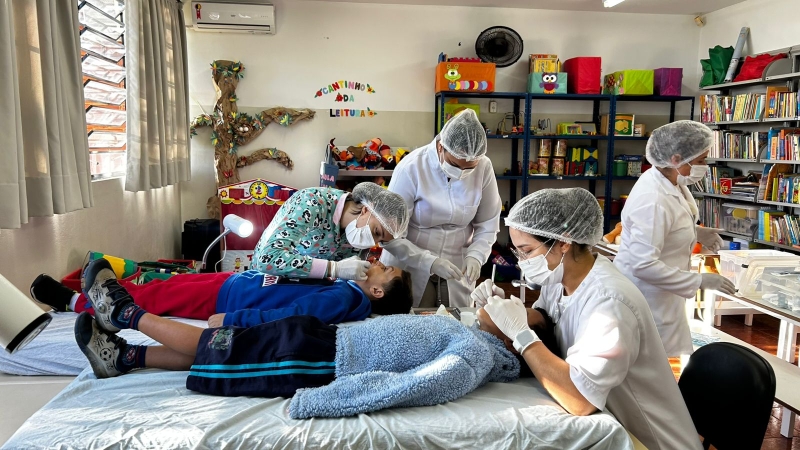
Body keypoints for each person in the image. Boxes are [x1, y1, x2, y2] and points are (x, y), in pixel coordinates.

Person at [472, 188, 703, 450]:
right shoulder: (558, 280)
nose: (522, 262)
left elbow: (579, 400)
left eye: (527, 251)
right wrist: (503, 310)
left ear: (563, 242)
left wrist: (521, 334)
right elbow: (550, 324)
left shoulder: (609, 302)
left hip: (649, 442)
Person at [73, 285, 519, 419]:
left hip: (323, 362)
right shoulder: (468, 332)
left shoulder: (475, 357)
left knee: (224, 347)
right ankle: (126, 358)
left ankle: (127, 314)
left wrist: (322, 401)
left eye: (517, 312)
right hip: (324, 339)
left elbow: (413, 386)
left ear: (515, 338)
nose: (505, 303)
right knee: (229, 350)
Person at [613, 121, 735, 357]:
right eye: (701, 161)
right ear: (676, 159)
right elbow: (643, 264)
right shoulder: (653, 199)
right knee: (648, 364)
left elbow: (667, 224)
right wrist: (698, 281)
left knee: (661, 360)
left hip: (663, 297)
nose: (705, 166)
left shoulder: (668, 181)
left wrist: (695, 232)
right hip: (646, 296)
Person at [30, 258, 412, 327]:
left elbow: (294, 315)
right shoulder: (346, 283)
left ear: (378, 291)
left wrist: (234, 319)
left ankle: (74, 302)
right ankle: (95, 289)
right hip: (234, 284)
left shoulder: (345, 298)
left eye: (386, 270)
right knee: (163, 285)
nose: (379, 262)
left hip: (230, 301)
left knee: (158, 299)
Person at [381, 109, 501, 308]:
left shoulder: (484, 167)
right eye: (455, 164)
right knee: (411, 317)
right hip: (409, 261)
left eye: (469, 168)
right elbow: (390, 233)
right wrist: (429, 262)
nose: (462, 173)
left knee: (457, 318)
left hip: (458, 264)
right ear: (440, 147)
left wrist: (476, 255)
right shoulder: (411, 168)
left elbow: (488, 222)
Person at [251, 182, 410, 282]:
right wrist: (333, 268)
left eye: (380, 241)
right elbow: (268, 259)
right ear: (366, 209)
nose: (372, 242)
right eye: (376, 232)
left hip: (303, 291)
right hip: (262, 284)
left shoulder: (356, 236)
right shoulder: (312, 203)